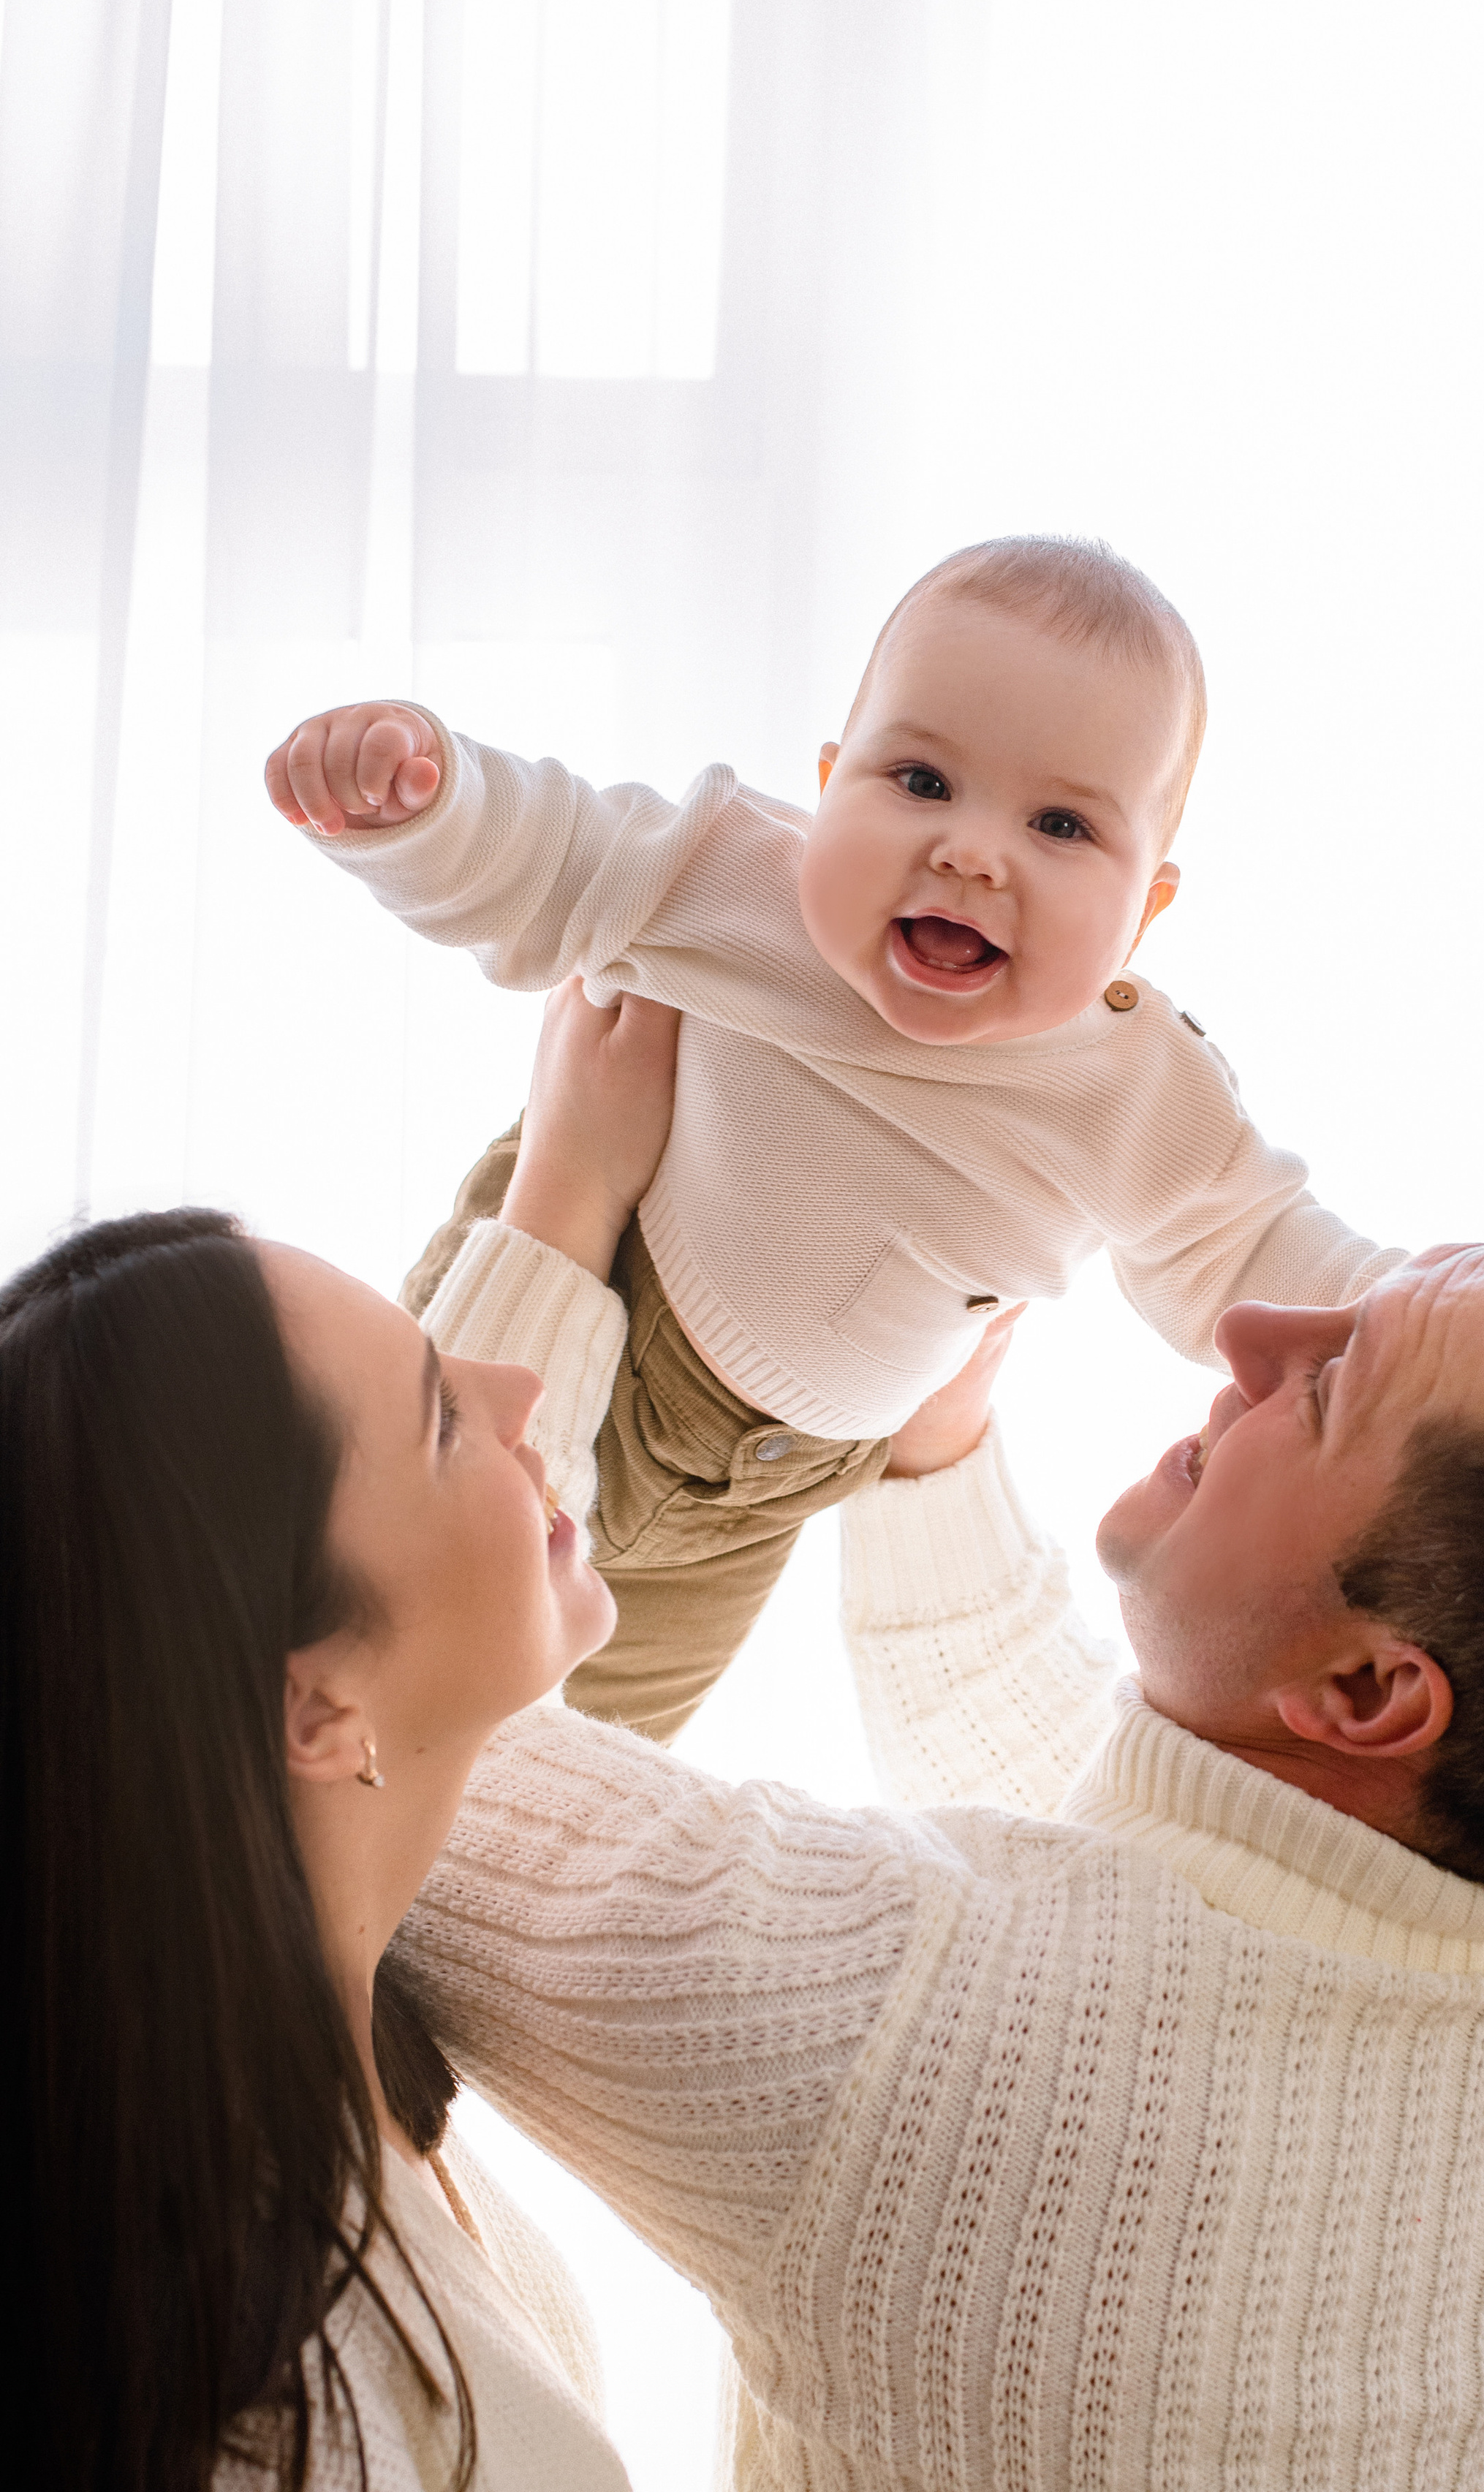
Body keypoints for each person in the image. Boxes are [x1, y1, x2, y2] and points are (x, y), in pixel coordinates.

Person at [386, 991, 1484, 2492]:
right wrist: (931, 1444)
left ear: (1373, 1690)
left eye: (1326, 1388)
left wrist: (557, 1208)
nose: (1246, 1325)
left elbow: (385, 1720)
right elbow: (1144, 1907)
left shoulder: (913, 2037)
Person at [263, 534, 1401, 1739]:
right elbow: (547, 855)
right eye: (920, 781)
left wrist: (1435, 1299)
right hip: (579, 1300)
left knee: (598, 1756)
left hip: (775, 1490)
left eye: (1062, 826)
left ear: (1146, 910)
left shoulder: (1134, 1093)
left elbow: (1258, 1247)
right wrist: (422, 804)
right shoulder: (735, 882)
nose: (972, 850)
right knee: (377, 1621)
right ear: (827, 782)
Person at [4, 1009, 697, 2492]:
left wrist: (575, 1185)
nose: (517, 1388)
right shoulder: (237, 2405)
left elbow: (450, 1547)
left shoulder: (307, 2063)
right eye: (447, 1417)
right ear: (313, 1704)